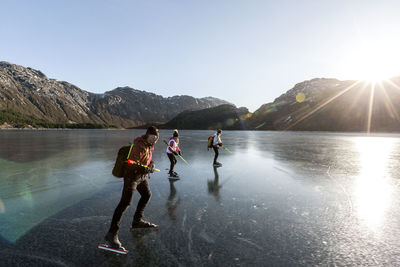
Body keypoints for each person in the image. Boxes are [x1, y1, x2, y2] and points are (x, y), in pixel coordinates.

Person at [104, 126, 159, 251]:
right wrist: (144, 168)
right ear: (147, 135)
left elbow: (148, 160)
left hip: (141, 177)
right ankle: (111, 234)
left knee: (146, 194)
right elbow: (130, 165)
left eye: (156, 137)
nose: (155, 139)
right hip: (131, 177)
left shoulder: (150, 146)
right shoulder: (139, 145)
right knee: (125, 203)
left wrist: (151, 164)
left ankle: (137, 221)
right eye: (153, 136)